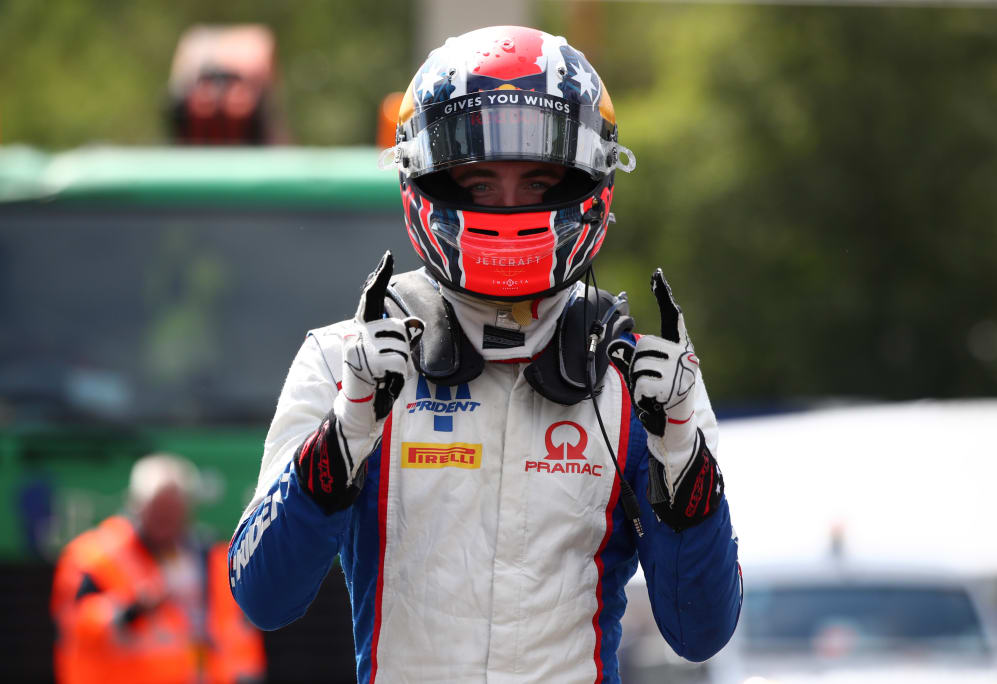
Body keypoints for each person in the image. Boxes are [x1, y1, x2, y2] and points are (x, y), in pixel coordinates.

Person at [229, 25, 742, 683]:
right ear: (422, 176)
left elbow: (700, 633)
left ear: (592, 179)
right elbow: (262, 599)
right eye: (476, 182)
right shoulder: (344, 361)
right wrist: (345, 434)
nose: (507, 206)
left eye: (536, 181)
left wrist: (681, 460)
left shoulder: (643, 380)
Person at [51, 453, 265, 684]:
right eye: (158, 510)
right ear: (135, 505)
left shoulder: (214, 557)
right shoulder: (93, 556)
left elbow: (238, 633)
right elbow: (75, 624)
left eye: (173, 511)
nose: (166, 521)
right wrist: (131, 611)